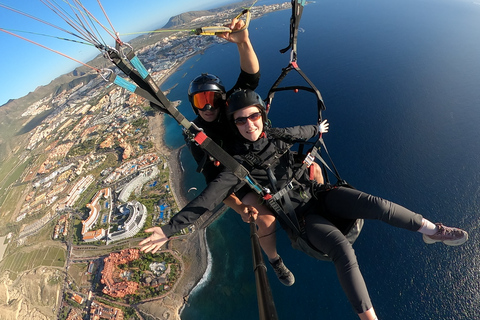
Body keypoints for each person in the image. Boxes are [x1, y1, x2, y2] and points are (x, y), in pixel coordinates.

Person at [141, 89, 469, 320]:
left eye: (253, 117)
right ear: (235, 125)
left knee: (376, 205)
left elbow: (300, 131)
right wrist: (171, 228)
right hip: (301, 219)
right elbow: (208, 198)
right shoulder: (235, 164)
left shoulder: (276, 136)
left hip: (318, 195)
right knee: (342, 249)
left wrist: (318, 129)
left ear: (262, 116)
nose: (249, 124)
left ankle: (431, 230)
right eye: (240, 121)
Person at [182, 17, 294, 285]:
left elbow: (250, 77)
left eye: (214, 100)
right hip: (238, 177)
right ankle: (275, 260)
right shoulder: (196, 135)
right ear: (193, 105)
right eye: (201, 102)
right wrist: (240, 208)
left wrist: (244, 42)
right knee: (264, 218)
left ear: (223, 99)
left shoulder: (231, 106)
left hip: (264, 158)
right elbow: (213, 181)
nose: (208, 108)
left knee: (313, 173)